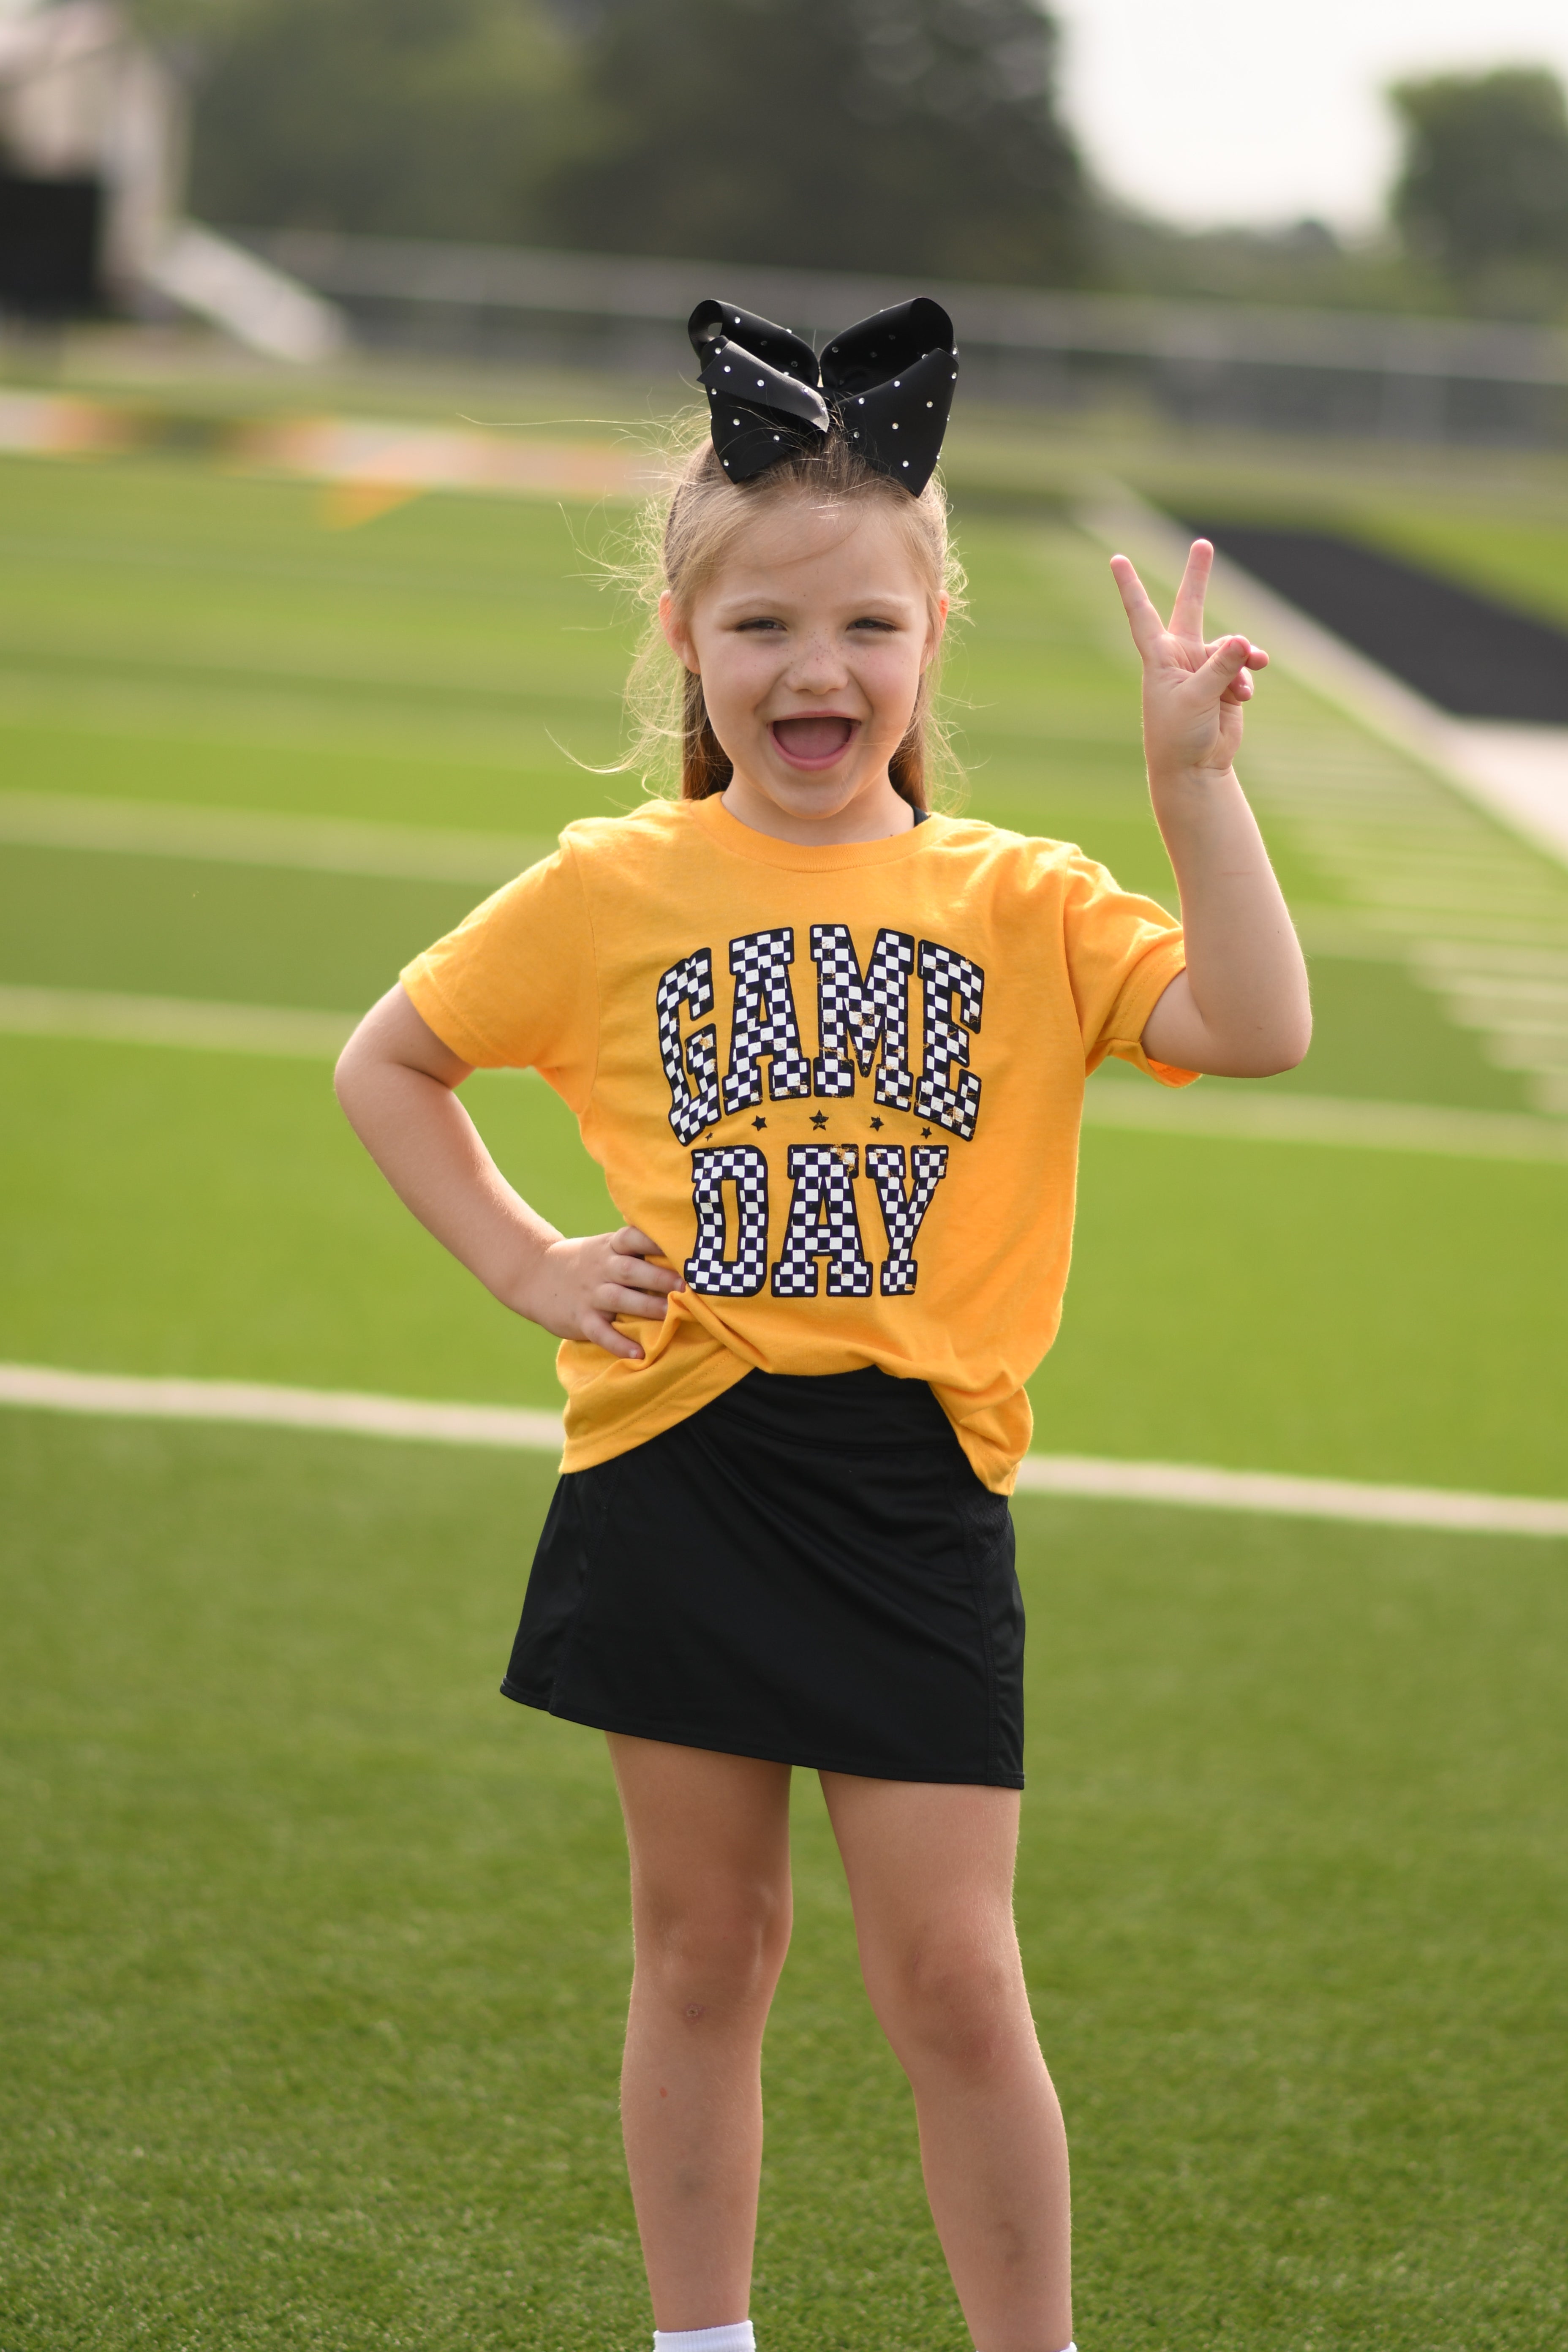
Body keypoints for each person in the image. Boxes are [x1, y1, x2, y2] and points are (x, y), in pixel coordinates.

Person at [334, 297, 1310, 2352]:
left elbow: (1257, 1026)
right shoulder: (609, 883)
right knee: (707, 1953)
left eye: (866, 627)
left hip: (913, 1486)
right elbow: (390, 1065)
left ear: (931, 641)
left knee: (955, 1977)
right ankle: (704, 2345)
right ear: (689, 645)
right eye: (766, 626)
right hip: (677, 1461)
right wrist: (529, 1265)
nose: (817, 669)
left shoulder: (1022, 897)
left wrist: (1192, 784)